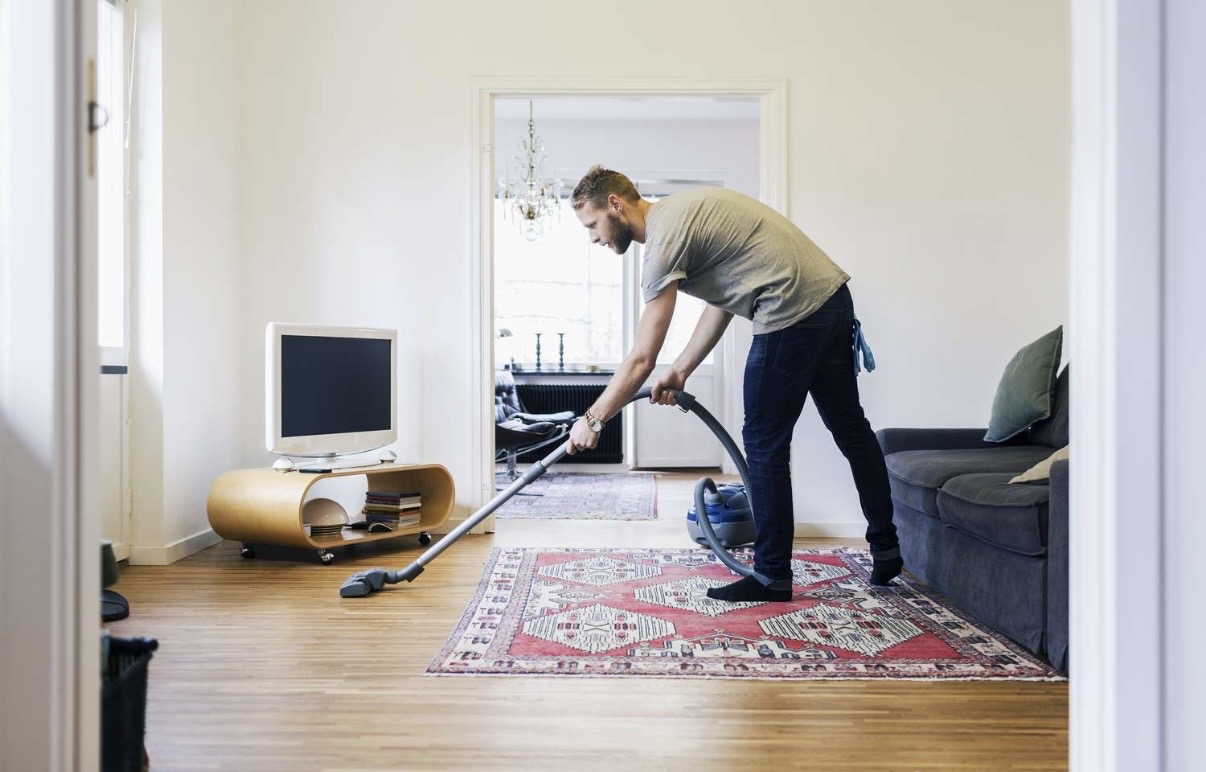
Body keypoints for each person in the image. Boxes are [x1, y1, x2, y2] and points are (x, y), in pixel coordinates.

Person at [565, 166, 901, 603]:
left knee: (763, 442)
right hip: (832, 301)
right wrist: (682, 369)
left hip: (790, 310)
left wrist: (593, 419)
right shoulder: (683, 215)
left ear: (615, 204)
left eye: (592, 225)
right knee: (851, 429)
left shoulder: (663, 240)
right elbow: (721, 304)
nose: (593, 238)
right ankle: (886, 547)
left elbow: (642, 357)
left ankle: (772, 575)